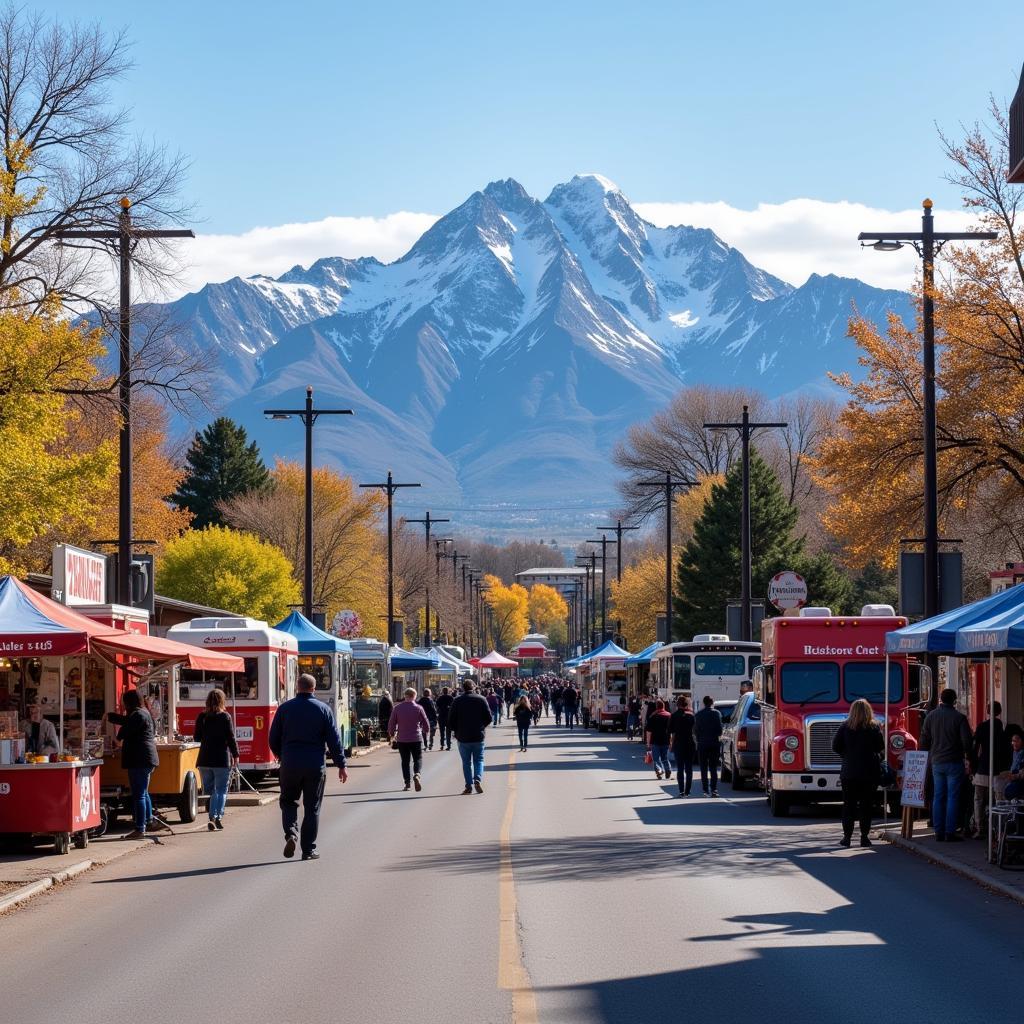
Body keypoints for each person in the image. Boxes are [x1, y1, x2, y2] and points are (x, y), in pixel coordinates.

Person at [269, 672, 348, 861]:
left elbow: (273, 738)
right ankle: (308, 849)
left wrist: (282, 755)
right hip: (315, 765)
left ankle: (291, 834)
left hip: (290, 763)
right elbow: (334, 740)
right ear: (314, 688)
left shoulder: (284, 709)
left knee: (288, 802)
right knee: (312, 807)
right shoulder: (323, 709)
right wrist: (341, 764)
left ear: (297, 686)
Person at [105, 689, 160, 840]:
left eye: (124, 701)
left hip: (139, 759)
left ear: (128, 702)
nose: (122, 704)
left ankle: (140, 828)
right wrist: (110, 716)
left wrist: (116, 737)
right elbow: (125, 721)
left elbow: (122, 733)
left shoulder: (137, 715)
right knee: (144, 792)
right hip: (146, 758)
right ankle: (149, 821)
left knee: (139, 795)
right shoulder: (143, 713)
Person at [920, 688, 973, 842]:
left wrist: (927, 754)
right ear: (954, 700)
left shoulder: (931, 716)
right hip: (954, 761)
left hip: (936, 761)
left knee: (938, 796)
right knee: (952, 797)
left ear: (941, 699)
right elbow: (967, 742)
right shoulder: (959, 718)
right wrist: (968, 756)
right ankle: (950, 831)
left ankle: (938, 831)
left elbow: (924, 739)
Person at [832, 698, 884, 847]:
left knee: (849, 805)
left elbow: (835, 746)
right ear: (869, 711)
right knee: (866, 806)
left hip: (849, 772)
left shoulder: (845, 727)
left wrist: (847, 756)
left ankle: (847, 838)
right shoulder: (874, 728)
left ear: (852, 711)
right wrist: (877, 757)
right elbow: (880, 747)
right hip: (869, 772)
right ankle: (864, 837)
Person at [193, 688, 239, 831]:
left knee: (211, 790)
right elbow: (231, 738)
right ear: (222, 701)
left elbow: (197, 738)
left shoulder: (202, 716)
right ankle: (216, 816)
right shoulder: (225, 717)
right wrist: (235, 755)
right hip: (221, 758)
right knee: (221, 790)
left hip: (204, 759)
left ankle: (213, 815)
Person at [447, 678, 492, 794]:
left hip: (463, 736)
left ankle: (468, 785)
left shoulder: (457, 700)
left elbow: (451, 719)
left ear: (463, 688)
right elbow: (489, 718)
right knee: (479, 760)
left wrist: (455, 731)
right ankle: (477, 778)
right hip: (478, 735)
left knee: (466, 762)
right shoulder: (481, 699)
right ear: (473, 687)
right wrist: (482, 727)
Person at [971, 701, 1008, 838]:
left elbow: (974, 748)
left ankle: (980, 828)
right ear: (1000, 711)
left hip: (983, 767)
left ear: (987, 711)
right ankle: (999, 829)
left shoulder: (982, 727)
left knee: (978, 799)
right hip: (1000, 768)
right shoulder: (1004, 727)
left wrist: (974, 766)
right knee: (999, 799)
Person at [694, 695, 724, 797]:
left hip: (702, 744)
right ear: (712, 703)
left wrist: (699, 739)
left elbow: (695, 730)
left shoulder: (698, 715)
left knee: (703, 768)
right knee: (713, 768)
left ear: (703, 703)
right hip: (714, 743)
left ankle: (705, 790)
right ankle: (714, 789)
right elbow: (720, 730)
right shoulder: (717, 713)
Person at [669, 696, 696, 797]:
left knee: (680, 768)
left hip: (678, 744)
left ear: (678, 704)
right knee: (689, 768)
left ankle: (681, 791)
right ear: (686, 704)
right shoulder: (692, 716)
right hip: (690, 743)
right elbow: (695, 731)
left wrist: (671, 743)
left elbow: (670, 731)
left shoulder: (674, 715)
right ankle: (687, 791)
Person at [645, 699, 672, 780]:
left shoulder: (653, 716)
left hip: (655, 741)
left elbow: (649, 731)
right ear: (663, 706)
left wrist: (648, 742)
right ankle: (668, 769)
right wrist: (671, 741)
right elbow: (671, 731)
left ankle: (659, 771)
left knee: (656, 758)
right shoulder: (669, 715)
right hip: (666, 740)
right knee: (665, 757)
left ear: (656, 707)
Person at [1000, 732, 1024, 800]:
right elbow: (1013, 768)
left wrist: (1016, 775)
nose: (1013, 743)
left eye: (1016, 740)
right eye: (1012, 741)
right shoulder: (1015, 752)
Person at [436, 686, 454, 750]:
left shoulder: (439, 698)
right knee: (448, 732)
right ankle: (448, 745)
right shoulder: (451, 698)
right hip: (448, 716)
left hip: (441, 716)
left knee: (442, 732)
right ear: (448, 691)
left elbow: (437, 706)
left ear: (443, 691)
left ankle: (442, 745)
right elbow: (453, 707)